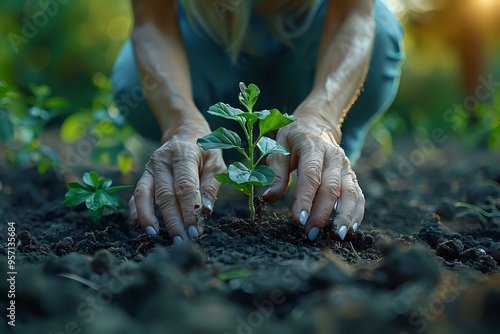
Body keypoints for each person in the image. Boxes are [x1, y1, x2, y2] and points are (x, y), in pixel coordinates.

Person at [112, 0, 404, 244]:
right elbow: (153, 21)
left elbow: (352, 14)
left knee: (379, 31)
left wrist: (321, 119)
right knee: (134, 80)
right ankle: (208, 156)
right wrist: (181, 125)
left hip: (312, 45)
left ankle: (317, 158)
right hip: (209, 46)